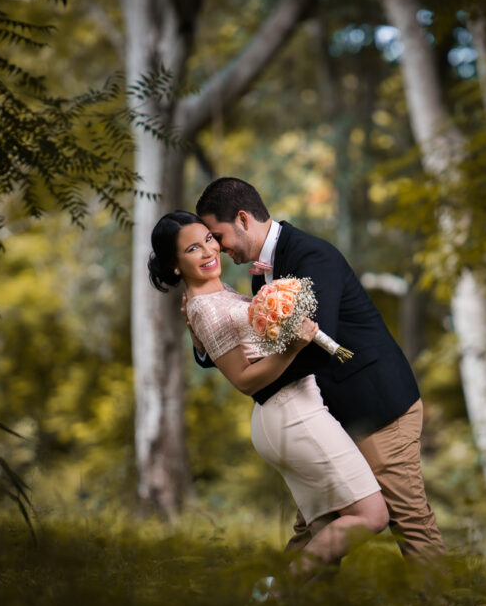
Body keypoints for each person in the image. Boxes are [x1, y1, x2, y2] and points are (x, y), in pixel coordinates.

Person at [191, 177, 445, 562]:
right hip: (327, 416)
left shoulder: (312, 256)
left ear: (242, 219)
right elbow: (246, 339)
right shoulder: (263, 272)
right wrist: (204, 347)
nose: (217, 248)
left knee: (408, 521)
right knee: (317, 525)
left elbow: (316, 348)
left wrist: (255, 385)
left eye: (218, 236)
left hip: (377, 408)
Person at [148, 210, 389, 583]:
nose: (209, 250)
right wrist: (293, 347)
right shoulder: (205, 308)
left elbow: (244, 334)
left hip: (292, 410)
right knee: (373, 516)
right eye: (192, 248)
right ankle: (273, 597)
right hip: (291, 413)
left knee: (324, 536)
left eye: (209, 239)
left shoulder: (215, 294)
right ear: (174, 265)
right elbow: (244, 380)